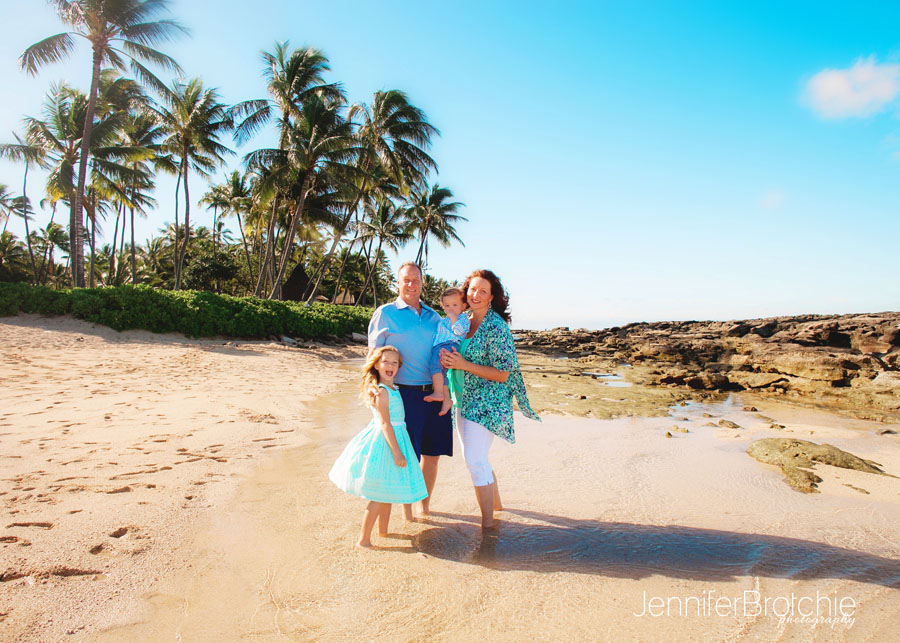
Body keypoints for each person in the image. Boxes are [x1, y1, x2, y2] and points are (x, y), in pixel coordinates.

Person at [440, 269, 540, 530]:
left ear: (492, 297)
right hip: (462, 399)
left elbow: (504, 373)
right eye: (472, 289)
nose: (476, 294)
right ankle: (497, 508)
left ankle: (488, 528)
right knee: (478, 458)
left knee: (475, 460)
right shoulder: (463, 320)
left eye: (482, 291)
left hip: (487, 404)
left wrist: (464, 364)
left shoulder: (497, 327)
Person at [367, 262, 453, 516]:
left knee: (432, 455)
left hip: (435, 393)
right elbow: (373, 355)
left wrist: (446, 391)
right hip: (402, 395)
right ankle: (406, 513)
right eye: (406, 280)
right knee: (407, 456)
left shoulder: (433, 316)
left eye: (416, 280)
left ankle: (423, 507)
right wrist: (372, 386)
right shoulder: (385, 313)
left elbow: (441, 354)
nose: (411, 285)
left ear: (422, 283)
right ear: (398, 283)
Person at [329, 346, 427, 548]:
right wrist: (397, 452)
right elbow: (385, 423)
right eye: (385, 361)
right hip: (387, 443)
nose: (390, 365)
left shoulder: (393, 389)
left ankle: (383, 532)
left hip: (397, 438)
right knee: (378, 497)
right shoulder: (382, 392)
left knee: (387, 492)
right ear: (376, 364)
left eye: (394, 362)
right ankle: (363, 540)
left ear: (399, 367)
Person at [423, 287, 470, 416]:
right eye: (447, 305)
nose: (451, 309)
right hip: (439, 346)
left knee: (435, 367)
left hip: (450, 345)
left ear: (463, 306)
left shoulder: (463, 319)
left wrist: (454, 319)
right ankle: (447, 399)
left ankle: (438, 393)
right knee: (440, 373)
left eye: (455, 305)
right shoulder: (442, 321)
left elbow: (460, 332)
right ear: (443, 307)